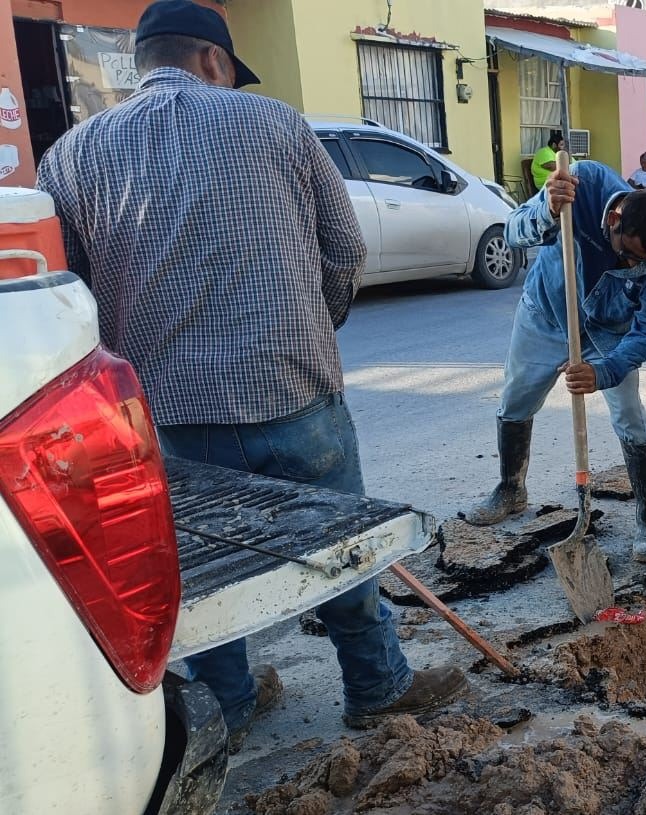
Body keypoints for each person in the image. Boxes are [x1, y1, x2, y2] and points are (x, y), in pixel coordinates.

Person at [35, 0, 467, 748]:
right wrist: (309, 328)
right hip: (291, 391)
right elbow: (345, 251)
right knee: (339, 545)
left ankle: (228, 706)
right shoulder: (276, 125)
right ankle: (376, 685)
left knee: (200, 570)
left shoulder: (70, 156)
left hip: (166, 415)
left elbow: (69, 290)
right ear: (213, 61)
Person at [464, 158, 646, 565]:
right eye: (628, 253)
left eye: (641, 262)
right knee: (516, 400)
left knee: (631, 417)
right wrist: (547, 211)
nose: (631, 265)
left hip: (607, 335)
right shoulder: (580, 186)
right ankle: (511, 488)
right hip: (545, 314)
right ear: (615, 219)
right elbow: (513, 231)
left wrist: (606, 371)